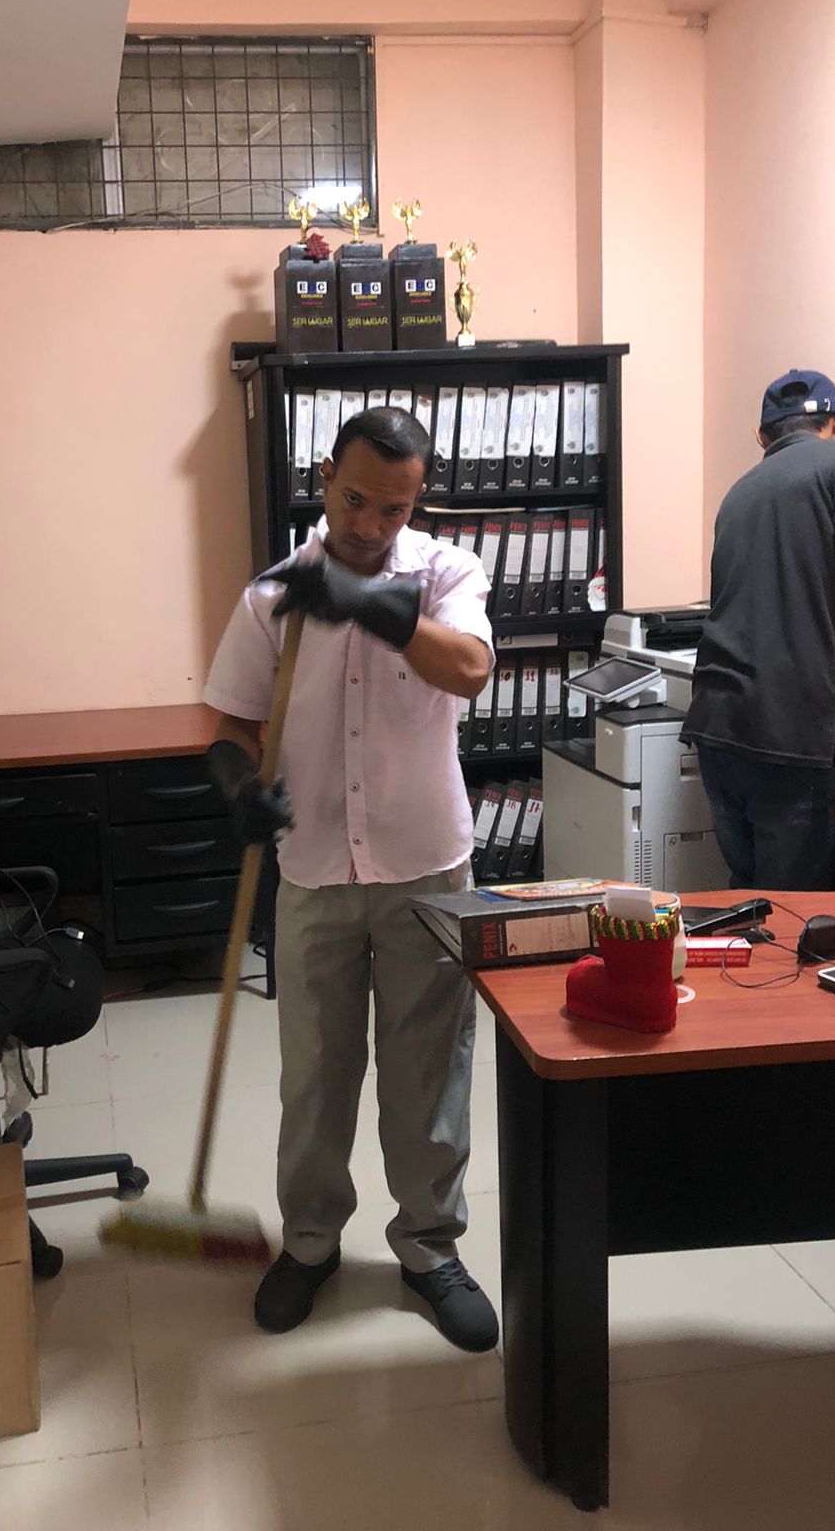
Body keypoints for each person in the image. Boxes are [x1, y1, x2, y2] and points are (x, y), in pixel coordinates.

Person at [203, 405, 498, 1351]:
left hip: (427, 869)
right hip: (315, 869)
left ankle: (429, 1248)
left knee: (428, 1073)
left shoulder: (446, 574)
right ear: (324, 476)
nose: (372, 525)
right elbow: (229, 726)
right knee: (316, 1076)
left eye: (395, 509)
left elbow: (471, 669)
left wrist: (367, 601)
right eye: (357, 500)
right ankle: (310, 1243)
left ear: (419, 500)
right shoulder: (272, 597)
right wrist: (240, 787)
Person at [683, 369, 835, 889]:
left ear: (761, 436)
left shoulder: (738, 492)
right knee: (800, 914)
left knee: (751, 900)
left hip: (719, 726)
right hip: (793, 733)